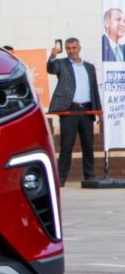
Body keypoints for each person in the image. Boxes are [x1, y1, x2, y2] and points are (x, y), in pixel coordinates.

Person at [48, 37, 101, 185]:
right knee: (66, 146)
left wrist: (97, 109)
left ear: (79, 48)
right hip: (69, 110)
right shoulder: (61, 64)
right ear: (66, 49)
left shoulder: (89, 67)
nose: (72, 51)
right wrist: (53, 56)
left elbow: (94, 89)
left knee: (88, 145)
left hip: (86, 110)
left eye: (74, 48)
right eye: (69, 48)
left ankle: (89, 176)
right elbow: (51, 69)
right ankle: (61, 178)